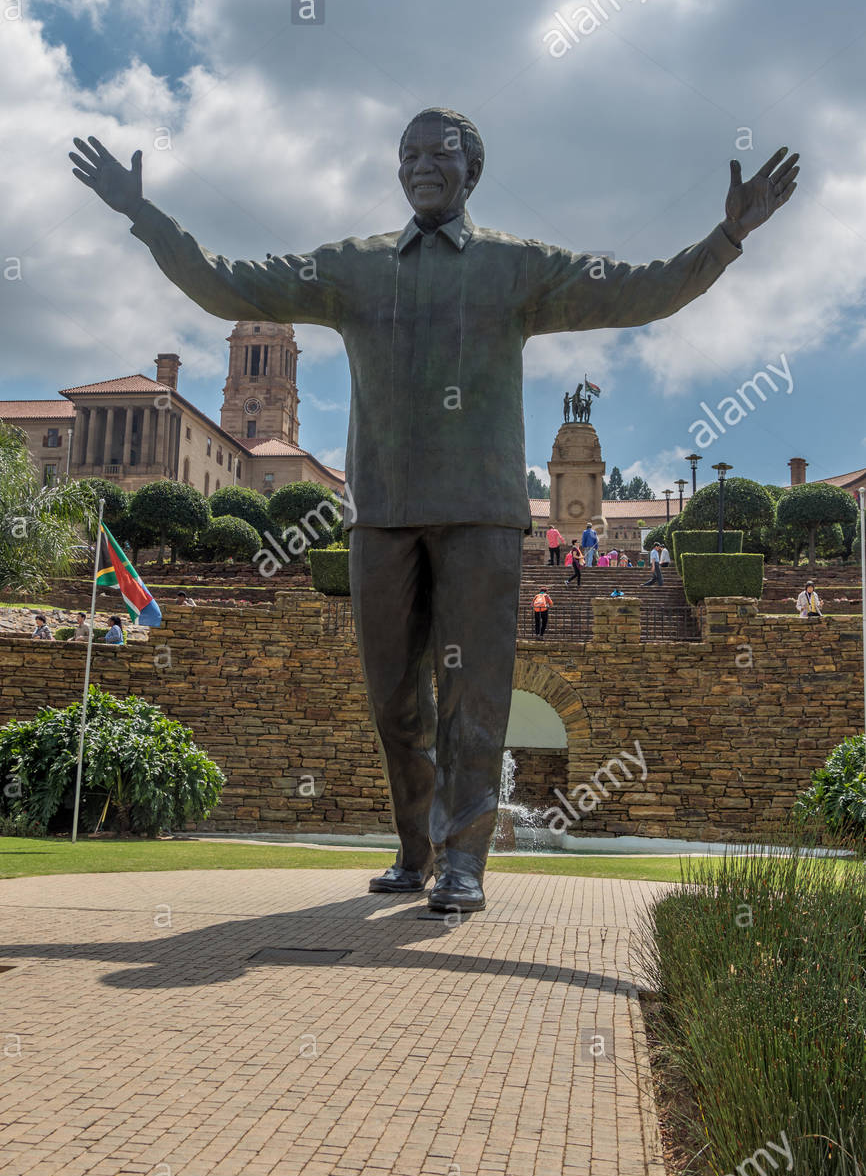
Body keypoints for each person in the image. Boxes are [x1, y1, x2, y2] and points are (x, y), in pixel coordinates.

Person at [68, 109, 798, 915]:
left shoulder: (516, 267)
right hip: (380, 513)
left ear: (470, 170)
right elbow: (225, 283)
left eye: (438, 152)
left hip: (481, 515)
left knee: (475, 698)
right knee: (393, 702)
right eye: (408, 152)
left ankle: (464, 864)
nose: (420, 164)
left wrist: (724, 240)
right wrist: (144, 216)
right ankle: (415, 847)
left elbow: (640, 292)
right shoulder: (353, 267)